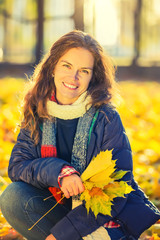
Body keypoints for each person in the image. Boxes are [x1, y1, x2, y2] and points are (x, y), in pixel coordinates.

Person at [0, 30, 159, 240]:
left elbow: (116, 191)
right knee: (13, 197)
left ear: (93, 76)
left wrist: (59, 236)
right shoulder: (38, 110)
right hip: (58, 209)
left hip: (103, 220)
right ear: (53, 67)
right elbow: (18, 166)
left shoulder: (106, 117)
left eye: (84, 71)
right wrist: (60, 171)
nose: (73, 77)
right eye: (67, 65)